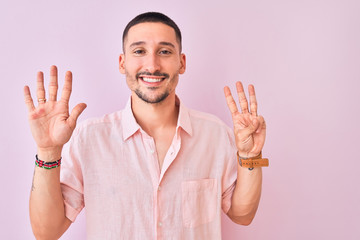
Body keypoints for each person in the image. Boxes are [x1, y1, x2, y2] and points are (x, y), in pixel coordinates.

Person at [24, 12, 268, 240]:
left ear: (181, 62)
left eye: (164, 51)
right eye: (139, 51)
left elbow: (242, 215)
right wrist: (48, 151)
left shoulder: (214, 134)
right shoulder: (90, 138)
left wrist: (251, 156)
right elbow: (47, 231)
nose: (152, 65)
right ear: (122, 63)